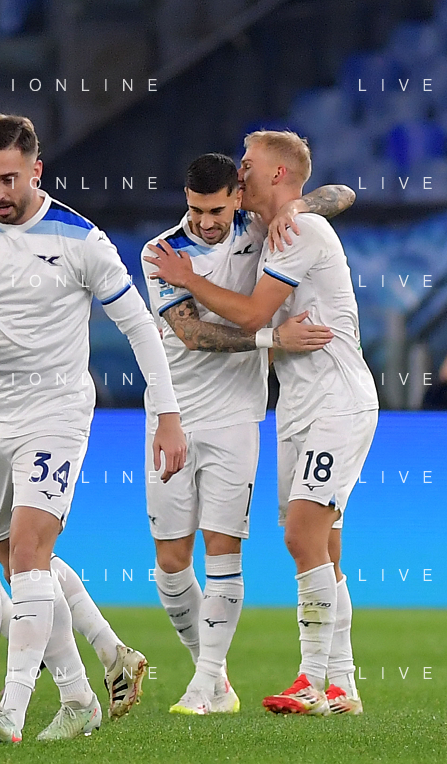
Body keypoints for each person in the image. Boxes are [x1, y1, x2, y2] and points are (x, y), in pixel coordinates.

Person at [0, 114, 186, 744]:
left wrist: (166, 414)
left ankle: (9, 708)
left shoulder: (81, 239)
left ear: (37, 170)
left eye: (10, 178)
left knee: (27, 548)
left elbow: (140, 326)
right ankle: (81, 692)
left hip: (56, 411)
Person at [147, 130, 378, 716]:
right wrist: (292, 209)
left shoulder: (298, 229)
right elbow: (335, 194)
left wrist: (192, 279)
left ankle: (312, 679)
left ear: (275, 174)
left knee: (300, 535)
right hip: (295, 406)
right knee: (324, 545)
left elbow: (253, 314)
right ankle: (343, 684)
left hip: (336, 401)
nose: (240, 171)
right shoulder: (260, 230)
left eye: (248, 164)